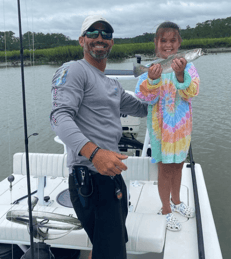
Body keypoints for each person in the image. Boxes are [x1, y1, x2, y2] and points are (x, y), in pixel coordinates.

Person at [50, 15, 148, 259]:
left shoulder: (112, 84)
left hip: (112, 177)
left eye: (106, 34)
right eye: (92, 33)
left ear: (112, 42)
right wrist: (94, 153)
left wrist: (168, 81)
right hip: (91, 181)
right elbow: (59, 117)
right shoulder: (74, 70)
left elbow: (144, 110)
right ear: (82, 40)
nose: (100, 38)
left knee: (108, 247)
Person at [135, 21, 200, 231]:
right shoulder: (152, 69)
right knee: (165, 169)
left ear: (180, 43)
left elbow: (192, 93)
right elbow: (144, 97)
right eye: (164, 40)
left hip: (181, 130)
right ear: (156, 43)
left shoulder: (189, 67)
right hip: (160, 130)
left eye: (173, 40)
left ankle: (177, 201)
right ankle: (165, 209)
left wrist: (181, 76)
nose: (168, 44)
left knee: (179, 165)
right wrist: (152, 80)